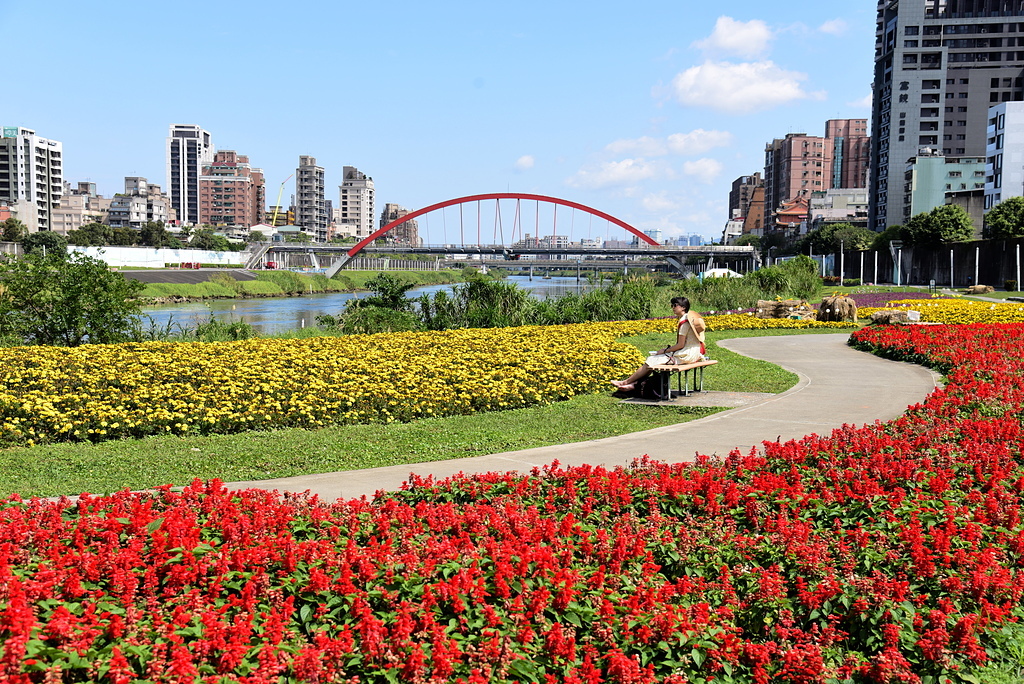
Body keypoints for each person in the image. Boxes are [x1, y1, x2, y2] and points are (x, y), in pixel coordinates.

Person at [611, 296, 706, 392]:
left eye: (675, 305)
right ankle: (633, 384)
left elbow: (680, 345)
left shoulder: (684, 323)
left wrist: (664, 350)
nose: (672, 307)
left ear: (683, 307)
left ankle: (626, 383)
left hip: (686, 355)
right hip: (694, 353)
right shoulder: (690, 320)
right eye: (672, 305)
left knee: (652, 360)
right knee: (654, 360)